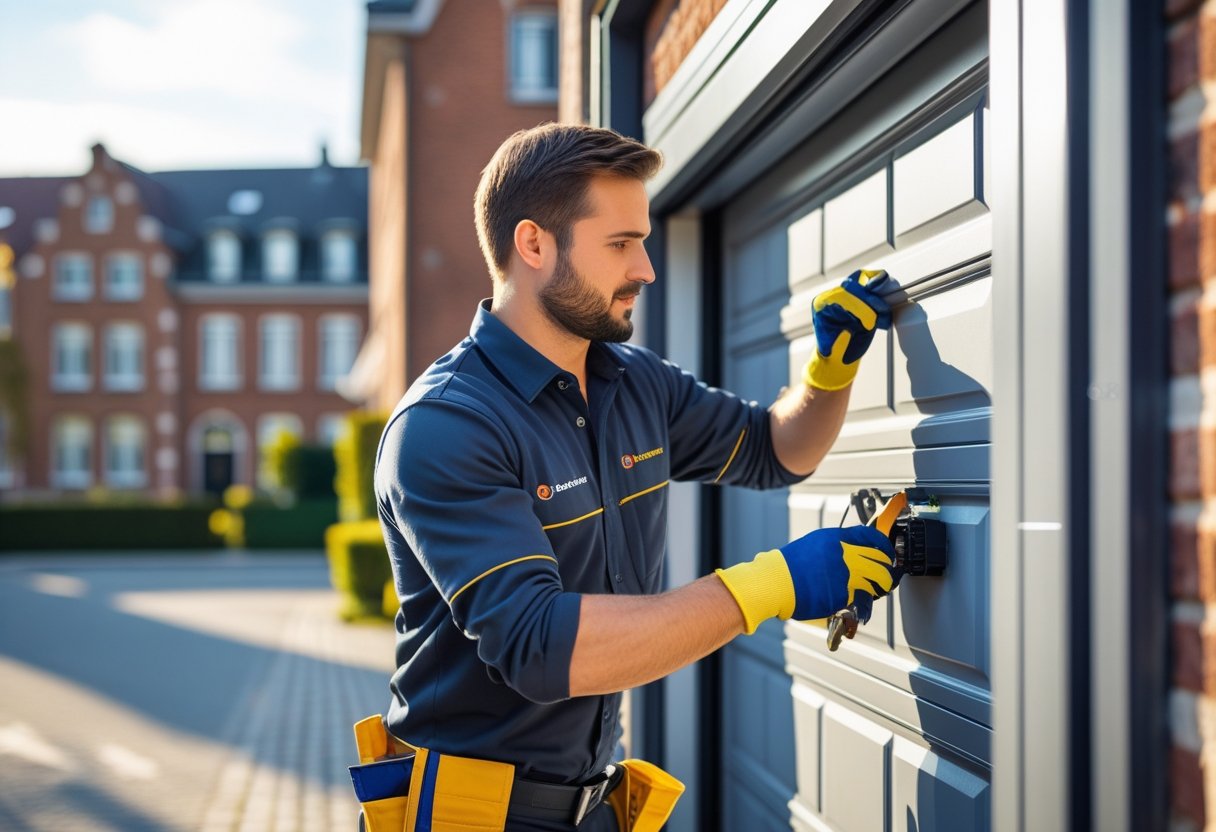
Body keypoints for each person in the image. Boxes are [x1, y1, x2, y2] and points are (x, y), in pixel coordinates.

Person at [369, 123, 899, 831]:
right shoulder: (446, 427)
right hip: (468, 816)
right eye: (620, 244)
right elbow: (540, 646)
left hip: (596, 807)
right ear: (534, 245)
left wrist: (829, 371)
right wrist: (772, 585)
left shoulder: (633, 382)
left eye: (643, 241)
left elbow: (777, 450)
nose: (646, 268)